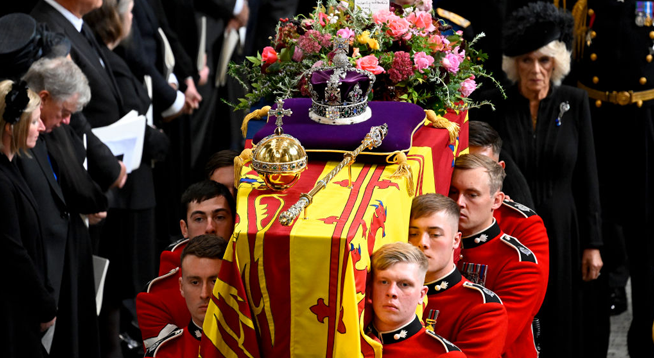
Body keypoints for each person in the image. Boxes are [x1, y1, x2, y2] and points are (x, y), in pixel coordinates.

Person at [474, 3, 606, 356]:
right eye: (527, 60)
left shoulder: (575, 102)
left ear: (557, 63)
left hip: (565, 228)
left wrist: (593, 243)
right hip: (512, 229)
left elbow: (588, 176)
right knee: (520, 315)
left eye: (544, 60)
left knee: (563, 315)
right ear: (513, 64)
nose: (536, 69)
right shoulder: (497, 105)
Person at [574, 0, 654, 355]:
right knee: (593, 244)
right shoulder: (580, 3)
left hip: (647, 127)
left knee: (648, 247)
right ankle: (592, 346)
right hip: (595, 126)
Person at [20, 56, 106, 358]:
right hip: (43, 268)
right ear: (44, 98)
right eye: (65, 111)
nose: (67, 120)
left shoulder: (52, 130)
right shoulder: (22, 141)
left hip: (68, 252)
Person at [449, 154, 545, 358]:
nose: (459, 202)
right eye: (453, 192)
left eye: (472, 195)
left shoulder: (518, 263)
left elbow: (497, 338)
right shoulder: (436, 243)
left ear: (497, 200)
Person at [30, 0, 129, 192]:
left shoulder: (76, 23)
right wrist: (107, 167)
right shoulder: (48, 28)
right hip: (90, 173)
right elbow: (68, 113)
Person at [408, 193, 507, 358]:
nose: (422, 242)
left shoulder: (483, 308)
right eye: (413, 233)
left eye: (435, 234)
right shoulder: (389, 290)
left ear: (456, 240)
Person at [0, 79, 55, 358]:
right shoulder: (2, 179)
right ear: (12, 128)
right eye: (35, 122)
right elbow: (13, 252)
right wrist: (44, 303)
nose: (42, 127)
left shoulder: (12, 168)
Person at [366, 242, 466, 358]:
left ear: (421, 295)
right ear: (370, 289)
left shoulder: (443, 354)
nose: (391, 292)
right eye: (384, 282)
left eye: (404, 284)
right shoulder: (354, 340)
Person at [141, 234, 228, 357]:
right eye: (195, 282)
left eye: (215, 281)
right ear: (181, 287)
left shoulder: (257, 345)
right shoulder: (163, 354)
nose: (204, 294)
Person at [468, 120, 534, 209]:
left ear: (500, 169)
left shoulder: (511, 217)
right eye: (465, 164)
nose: (473, 173)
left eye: (484, 165)